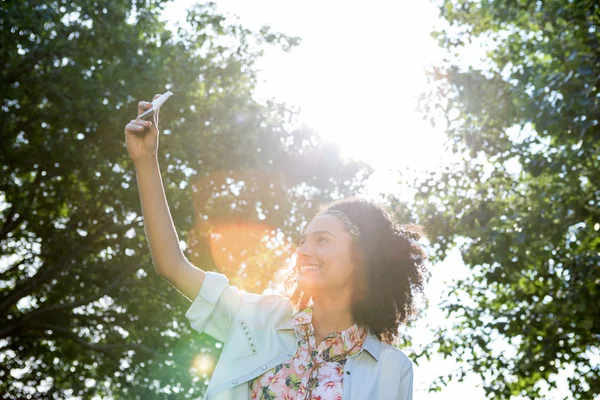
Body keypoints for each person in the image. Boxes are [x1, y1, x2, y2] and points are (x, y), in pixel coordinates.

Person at [124, 97, 428, 399]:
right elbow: (171, 265)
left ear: (362, 257)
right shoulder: (256, 320)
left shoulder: (392, 368)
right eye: (303, 241)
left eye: (322, 240)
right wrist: (145, 160)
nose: (304, 250)